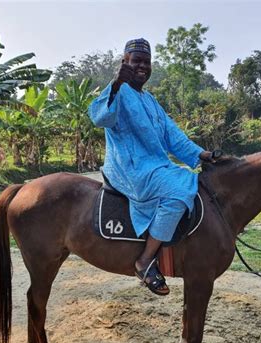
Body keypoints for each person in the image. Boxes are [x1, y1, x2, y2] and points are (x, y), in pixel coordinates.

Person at [88, 38, 213, 296]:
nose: (142, 66)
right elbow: (99, 117)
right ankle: (145, 261)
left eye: (147, 62)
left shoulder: (150, 100)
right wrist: (116, 82)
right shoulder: (118, 90)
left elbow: (172, 135)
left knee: (190, 179)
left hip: (155, 167)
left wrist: (202, 155)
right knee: (180, 192)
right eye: (136, 61)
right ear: (125, 63)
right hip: (129, 170)